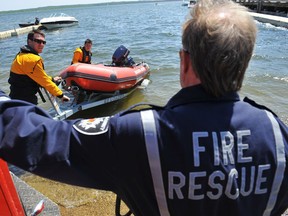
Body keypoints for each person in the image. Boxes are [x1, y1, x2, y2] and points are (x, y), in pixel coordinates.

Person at [0, 0, 287, 215]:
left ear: (184, 61)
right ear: (245, 63)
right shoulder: (279, 138)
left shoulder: (140, 135)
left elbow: (43, 140)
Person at [8, 29, 70, 105]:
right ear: (29, 41)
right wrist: (61, 95)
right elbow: (44, 82)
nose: (41, 44)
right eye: (38, 41)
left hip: (15, 98)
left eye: (43, 42)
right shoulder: (32, 59)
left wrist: (52, 79)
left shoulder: (21, 55)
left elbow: (38, 76)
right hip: (25, 101)